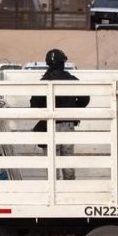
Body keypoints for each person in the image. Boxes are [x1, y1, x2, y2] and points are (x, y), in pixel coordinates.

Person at [29, 49, 90, 180]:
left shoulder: (44, 81)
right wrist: (73, 109)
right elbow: (85, 98)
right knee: (68, 164)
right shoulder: (71, 79)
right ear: (63, 62)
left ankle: (53, 197)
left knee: (52, 167)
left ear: (48, 63)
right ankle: (69, 195)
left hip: (49, 125)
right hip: (67, 125)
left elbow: (34, 104)